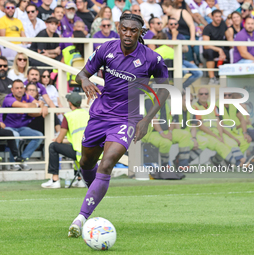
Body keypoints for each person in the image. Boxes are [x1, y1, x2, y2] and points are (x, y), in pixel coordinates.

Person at [67, 13, 169, 238]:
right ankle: (93, 196)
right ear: (118, 28)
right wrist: (84, 80)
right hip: (100, 115)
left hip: (127, 119)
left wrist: (146, 119)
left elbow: (164, 89)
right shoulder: (106, 49)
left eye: (133, 30)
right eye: (125, 29)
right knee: (86, 162)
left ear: (141, 32)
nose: (128, 34)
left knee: (107, 163)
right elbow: (82, 74)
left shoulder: (152, 59)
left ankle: (80, 218)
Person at [192, 87, 254, 167]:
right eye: (201, 94)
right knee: (224, 145)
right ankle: (242, 162)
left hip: (218, 133)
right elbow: (200, 126)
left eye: (206, 94)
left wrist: (221, 136)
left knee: (234, 143)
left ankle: (239, 162)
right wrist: (218, 136)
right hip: (204, 134)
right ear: (198, 95)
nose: (204, 95)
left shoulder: (213, 106)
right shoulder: (196, 107)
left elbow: (218, 122)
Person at [42, 92, 88, 188]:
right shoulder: (88, 113)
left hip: (79, 152)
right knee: (74, 146)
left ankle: (55, 180)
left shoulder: (68, 116)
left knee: (53, 146)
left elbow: (59, 140)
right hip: (91, 152)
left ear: (70, 103)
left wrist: (57, 140)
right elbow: (78, 137)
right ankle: (80, 179)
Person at [2, 79, 45, 170]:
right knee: (15, 135)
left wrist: (42, 105)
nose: (19, 90)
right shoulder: (8, 98)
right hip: (8, 128)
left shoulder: (27, 97)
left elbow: (40, 103)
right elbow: (25, 106)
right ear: (12, 90)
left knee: (39, 136)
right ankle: (13, 163)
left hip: (21, 127)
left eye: (21, 88)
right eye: (17, 88)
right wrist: (37, 104)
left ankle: (23, 159)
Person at [165, 22, 203, 89]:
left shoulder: (181, 36)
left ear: (178, 25)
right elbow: (170, 49)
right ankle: (176, 87)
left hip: (182, 60)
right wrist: (174, 36)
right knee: (183, 70)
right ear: (167, 25)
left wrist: (177, 46)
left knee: (199, 73)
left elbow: (186, 49)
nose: (173, 25)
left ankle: (182, 87)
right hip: (171, 60)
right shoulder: (165, 35)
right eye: (171, 24)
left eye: (175, 24)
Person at [161, 0, 198, 65]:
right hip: (176, 37)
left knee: (196, 50)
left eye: (164, 9)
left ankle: (193, 64)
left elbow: (191, 25)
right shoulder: (167, 17)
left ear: (170, 7)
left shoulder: (183, 12)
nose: (164, 11)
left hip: (187, 36)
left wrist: (192, 38)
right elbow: (160, 27)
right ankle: (190, 64)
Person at [202, 10, 228, 85]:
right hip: (211, 49)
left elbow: (228, 37)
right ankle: (212, 78)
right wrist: (219, 49)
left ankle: (228, 77)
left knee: (231, 53)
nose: (218, 18)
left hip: (221, 49)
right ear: (212, 17)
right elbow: (206, 45)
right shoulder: (207, 28)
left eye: (220, 16)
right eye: (216, 16)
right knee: (209, 53)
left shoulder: (223, 24)